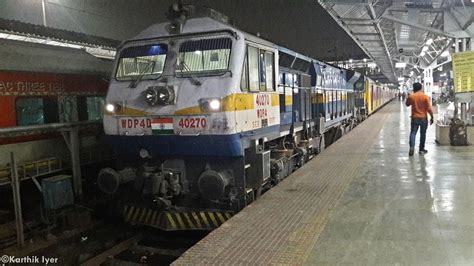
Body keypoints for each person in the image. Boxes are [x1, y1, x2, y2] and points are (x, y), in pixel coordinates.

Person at [405, 83, 434, 156]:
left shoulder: (412, 97)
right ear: (421, 88)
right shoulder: (425, 97)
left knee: (413, 133)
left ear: (414, 88)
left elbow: (407, 104)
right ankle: (421, 149)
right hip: (423, 118)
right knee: (423, 134)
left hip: (414, 118)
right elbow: (429, 108)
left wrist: (408, 97)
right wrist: (432, 117)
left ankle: (412, 147)